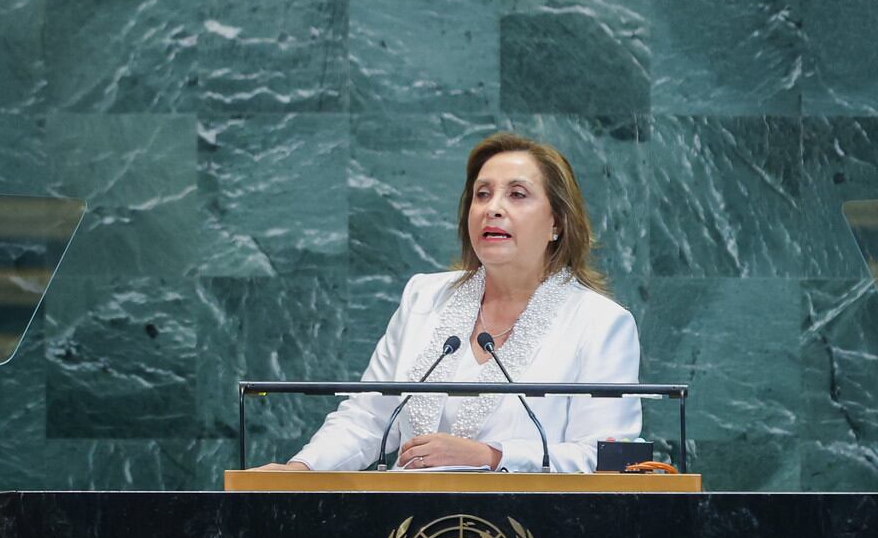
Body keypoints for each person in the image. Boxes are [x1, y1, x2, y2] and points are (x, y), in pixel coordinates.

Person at [255, 132, 641, 473]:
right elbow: (367, 417)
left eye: (517, 194)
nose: (493, 208)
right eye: (482, 194)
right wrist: (301, 469)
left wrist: (492, 456)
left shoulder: (601, 323)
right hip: (406, 524)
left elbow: (608, 460)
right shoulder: (424, 298)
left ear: (557, 222)